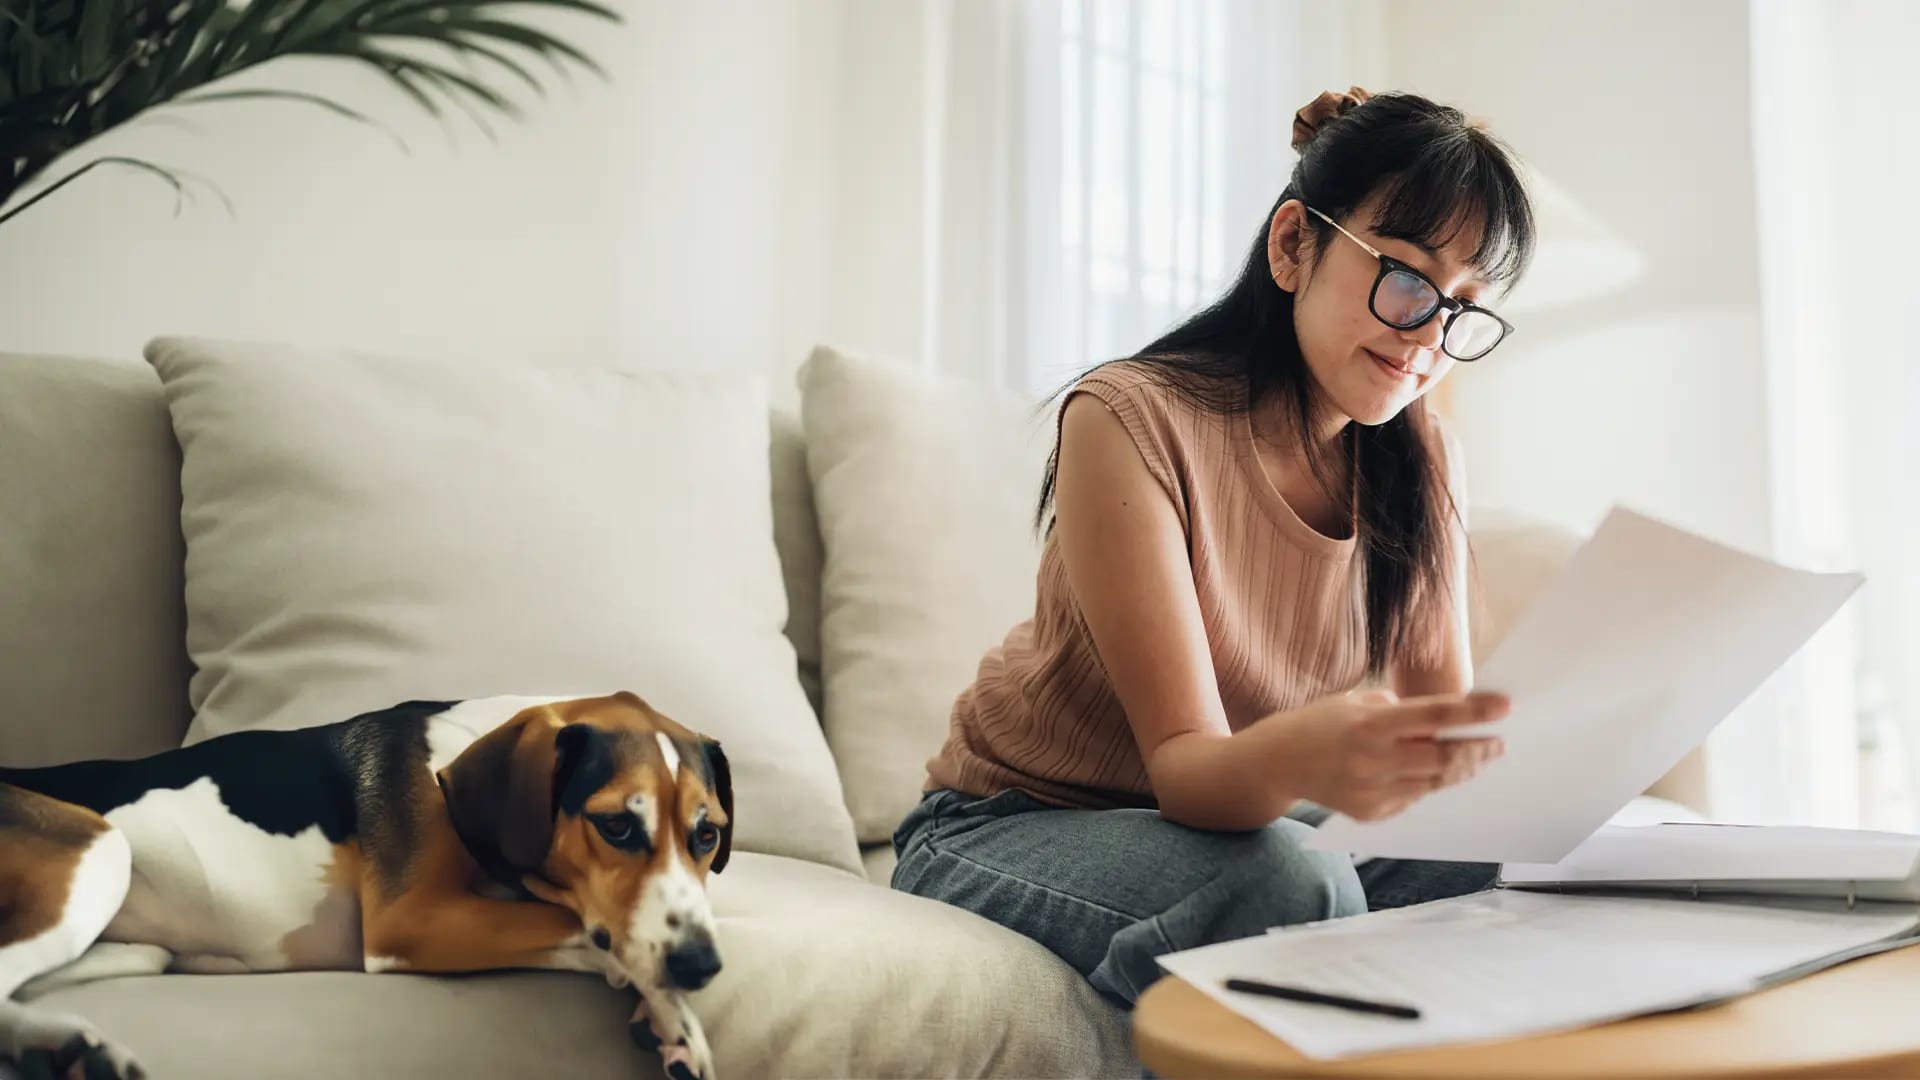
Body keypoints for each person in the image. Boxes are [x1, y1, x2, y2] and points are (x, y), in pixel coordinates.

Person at [889, 87, 1535, 1007]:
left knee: (1488, 858)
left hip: (1227, 823)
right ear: (1292, 246)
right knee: (1291, 883)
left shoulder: (1423, 456)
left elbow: (1445, 752)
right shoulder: (1130, 419)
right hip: (1012, 822)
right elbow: (1187, 772)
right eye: (1405, 278)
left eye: (1464, 307)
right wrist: (1307, 757)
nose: (1430, 335)